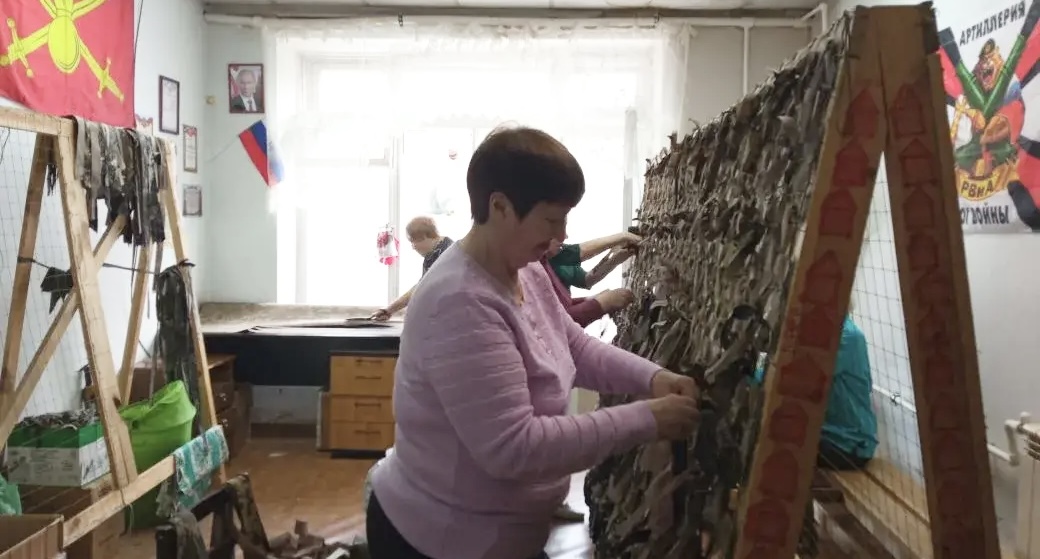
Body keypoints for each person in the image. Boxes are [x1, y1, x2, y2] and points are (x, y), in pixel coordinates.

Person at [367, 125, 701, 559]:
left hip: (503, 535)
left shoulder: (525, 268)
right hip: (442, 539)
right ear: (500, 207)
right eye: (551, 219)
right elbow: (513, 448)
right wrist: (648, 419)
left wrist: (653, 378)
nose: (560, 236)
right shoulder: (459, 302)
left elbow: (573, 346)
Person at [541, 233, 641, 523]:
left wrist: (615, 259)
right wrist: (600, 304)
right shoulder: (535, 266)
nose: (563, 236)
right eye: (553, 226)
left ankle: (550, 499)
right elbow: (557, 321)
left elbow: (584, 281)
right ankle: (543, 502)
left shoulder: (549, 262)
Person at [754, 313, 878, 470]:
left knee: (770, 444)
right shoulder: (818, 332)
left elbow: (794, 381)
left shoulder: (844, 336)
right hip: (826, 433)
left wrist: (757, 370)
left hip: (847, 443)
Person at [541, 235, 640, 329]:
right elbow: (581, 251)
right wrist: (602, 303)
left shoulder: (557, 253)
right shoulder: (543, 262)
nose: (565, 236)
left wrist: (614, 258)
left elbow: (586, 280)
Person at [370, 217, 453, 321]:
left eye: (413, 242)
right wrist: (388, 310)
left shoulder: (444, 255)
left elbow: (421, 288)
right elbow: (421, 286)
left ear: (423, 237)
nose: (413, 247)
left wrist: (389, 310)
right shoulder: (438, 251)